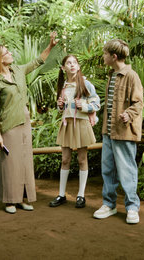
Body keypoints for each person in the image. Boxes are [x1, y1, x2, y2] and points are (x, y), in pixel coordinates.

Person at [0, 31, 59, 214]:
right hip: (9, 126)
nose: (10, 53)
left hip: (25, 122)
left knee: (25, 161)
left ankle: (23, 199)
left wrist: (50, 46)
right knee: (10, 163)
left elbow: (37, 62)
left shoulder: (18, 70)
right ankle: (10, 200)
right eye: (6, 52)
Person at [92, 39, 144, 224]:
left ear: (114, 57)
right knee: (108, 169)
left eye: (105, 54)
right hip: (109, 131)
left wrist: (128, 115)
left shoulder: (131, 75)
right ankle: (109, 204)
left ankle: (132, 208)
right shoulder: (112, 75)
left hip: (124, 132)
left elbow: (138, 102)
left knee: (127, 171)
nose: (103, 57)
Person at [49, 55, 100, 208]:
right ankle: (61, 194)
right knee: (65, 160)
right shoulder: (63, 86)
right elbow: (62, 109)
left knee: (82, 160)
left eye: (74, 63)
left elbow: (96, 103)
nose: (72, 65)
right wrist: (60, 105)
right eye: (68, 63)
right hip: (67, 124)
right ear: (63, 67)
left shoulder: (85, 83)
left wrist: (83, 106)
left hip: (81, 124)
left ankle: (81, 195)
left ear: (78, 66)